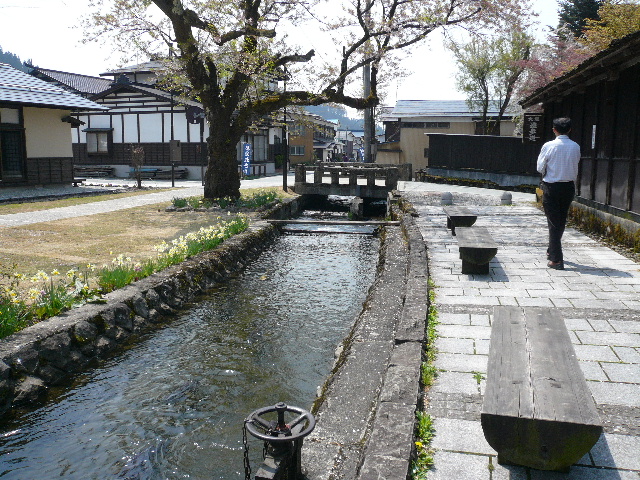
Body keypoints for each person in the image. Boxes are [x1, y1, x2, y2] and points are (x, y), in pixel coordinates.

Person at [537, 117, 581, 270]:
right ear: (569, 130)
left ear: (554, 130)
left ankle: (556, 259)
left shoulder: (549, 146)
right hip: (569, 187)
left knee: (554, 222)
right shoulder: (575, 146)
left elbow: (539, 167)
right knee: (560, 220)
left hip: (552, 186)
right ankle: (552, 250)